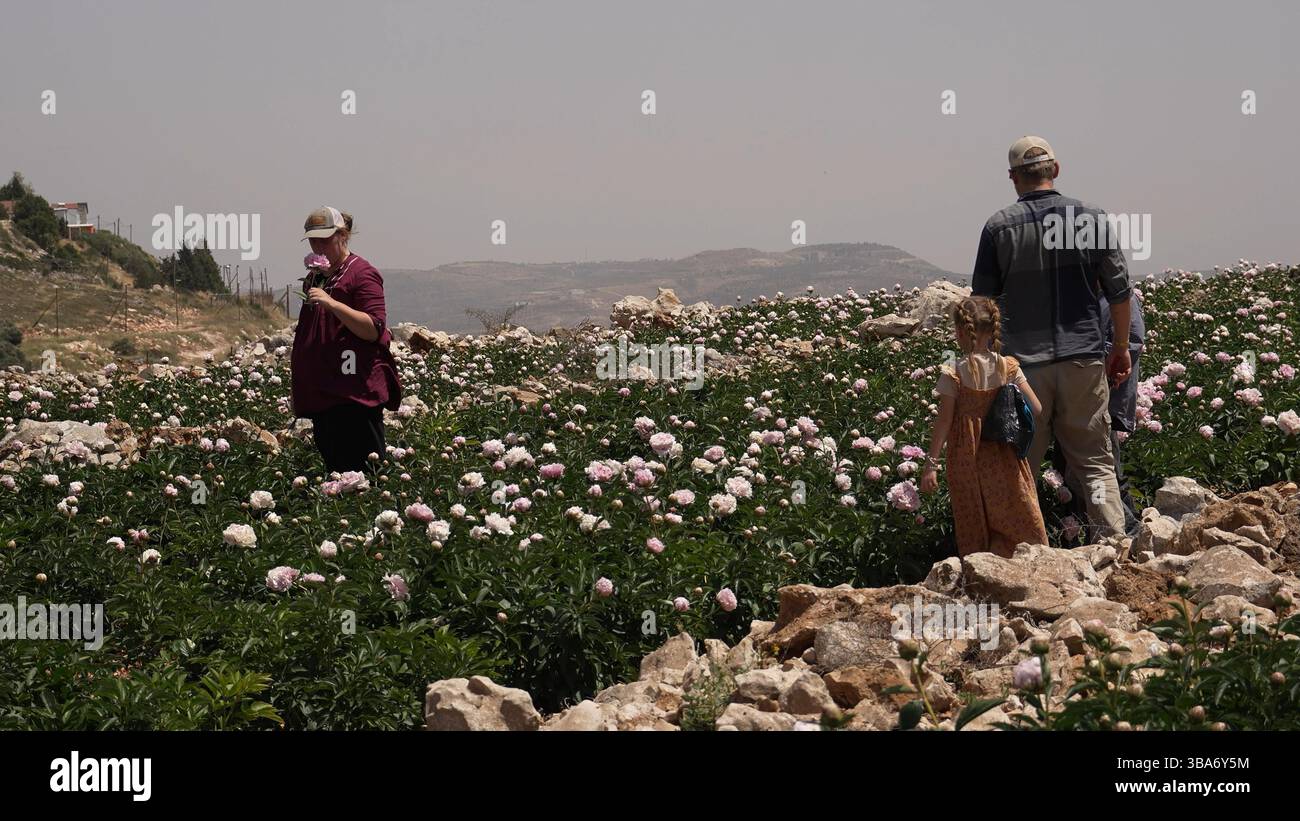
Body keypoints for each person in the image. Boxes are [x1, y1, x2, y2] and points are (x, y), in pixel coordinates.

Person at [971, 135, 1133, 540]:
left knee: (1021, 463)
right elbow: (1119, 292)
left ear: (1013, 177)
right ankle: (1114, 544)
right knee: (1095, 463)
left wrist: (984, 363)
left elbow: (982, 306)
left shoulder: (998, 228)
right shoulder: (1091, 218)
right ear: (1055, 170)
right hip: (1083, 359)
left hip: (1025, 369)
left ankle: (1020, 551)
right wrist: (1120, 348)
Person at [920, 296, 1048, 558]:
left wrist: (931, 464)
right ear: (993, 329)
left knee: (974, 517)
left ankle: (979, 569)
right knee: (1014, 508)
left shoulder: (954, 370)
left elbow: (944, 420)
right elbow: (1036, 408)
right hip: (1003, 452)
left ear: (960, 331)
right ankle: (1029, 561)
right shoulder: (1008, 366)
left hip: (966, 455)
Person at [290, 206, 402, 473]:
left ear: (343, 235)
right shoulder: (315, 278)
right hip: (324, 393)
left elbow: (373, 328)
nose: (318, 247)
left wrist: (332, 304)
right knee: (336, 474)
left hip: (354, 395)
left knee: (366, 474)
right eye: (313, 241)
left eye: (324, 240)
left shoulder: (362, 274)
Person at [1051, 291, 1146, 537]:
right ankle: (1101, 532)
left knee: (1101, 472)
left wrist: (1090, 363)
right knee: (1078, 472)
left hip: (1102, 401)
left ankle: (1129, 532)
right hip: (1078, 401)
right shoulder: (1086, 296)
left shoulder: (1121, 299)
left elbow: (1133, 342)